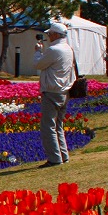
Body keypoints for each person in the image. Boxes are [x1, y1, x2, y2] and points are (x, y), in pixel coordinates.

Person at [33, 22, 76, 168]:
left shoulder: (54, 49)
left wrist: (38, 52)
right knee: (59, 125)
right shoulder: (68, 48)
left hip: (52, 91)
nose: (48, 36)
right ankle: (63, 155)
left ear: (56, 35)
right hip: (64, 91)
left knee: (48, 126)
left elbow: (39, 64)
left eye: (50, 34)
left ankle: (54, 158)